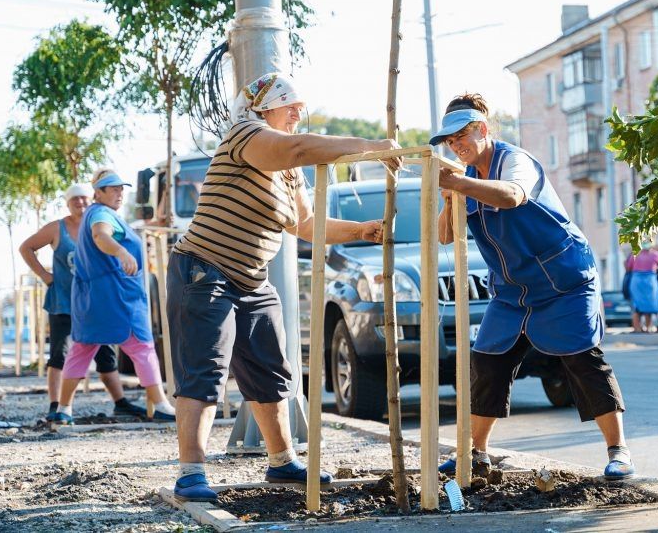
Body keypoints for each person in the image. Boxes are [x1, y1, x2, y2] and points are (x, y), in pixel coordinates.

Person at [167, 73, 397, 503]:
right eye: (287, 103)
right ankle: (191, 473)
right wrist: (372, 146)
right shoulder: (246, 134)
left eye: (299, 105)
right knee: (205, 371)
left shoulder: (290, 174)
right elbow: (294, 147)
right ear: (261, 108)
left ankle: (281, 462)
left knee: (272, 370)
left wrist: (363, 230)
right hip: (205, 271)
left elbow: (306, 224)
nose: (296, 111)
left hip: (252, 279)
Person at [433, 93, 634, 482]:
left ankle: (619, 451)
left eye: (463, 135)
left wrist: (461, 183)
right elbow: (445, 236)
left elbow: (512, 196)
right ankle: (476, 454)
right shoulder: (466, 178)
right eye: (450, 140)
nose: (457, 145)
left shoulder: (515, 161)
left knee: (582, 361)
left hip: (563, 281)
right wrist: (449, 197)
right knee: (488, 362)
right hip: (513, 292)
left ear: (484, 130)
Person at [48, 169, 175, 426]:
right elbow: (101, 236)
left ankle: (63, 409)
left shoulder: (94, 214)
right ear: (98, 193)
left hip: (91, 299)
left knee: (81, 350)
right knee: (142, 347)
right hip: (118, 298)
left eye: (121, 188)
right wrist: (121, 253)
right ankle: (161, 405)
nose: (119, 193)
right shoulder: (101, 214)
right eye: (113, 189)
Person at [20, 184, 146, 420]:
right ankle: (56, 405)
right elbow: (26, 247)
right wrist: (45, 276)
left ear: (93, 200)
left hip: (96, 303)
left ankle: (120, 402)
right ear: (67, 203)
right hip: (64, 302)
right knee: (60, 352)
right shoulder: (57, 228)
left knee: (106, 354)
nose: (80, 203)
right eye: (75, 199)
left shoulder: (101, 223)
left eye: (84, 198)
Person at [627, 240, 658, 333]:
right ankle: (648, 327)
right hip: (649, 281)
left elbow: (628, 267)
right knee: (648, 306)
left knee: (636, 306)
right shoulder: (655, 254)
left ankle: (637, 328)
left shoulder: (635, 253)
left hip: (637, 281)